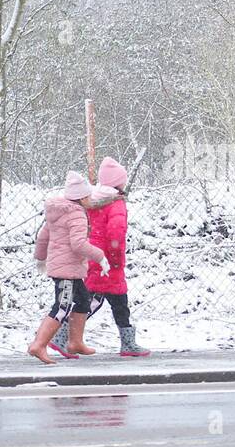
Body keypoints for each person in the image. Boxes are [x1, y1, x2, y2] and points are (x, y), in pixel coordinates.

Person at [50, 156, 150, 357]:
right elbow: (115, 232)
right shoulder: (116, 203)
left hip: (94, 256)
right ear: (118, 183)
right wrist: (114, 258)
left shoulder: (93, 199)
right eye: (123, 179)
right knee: (98, 303)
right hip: (108, 261)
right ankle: (62, 336)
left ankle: (68, 338)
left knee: (103, 301)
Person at [28, 171, 111, 364]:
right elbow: (78, 244)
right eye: (89, 196)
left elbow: (43, 236)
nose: (91, 199)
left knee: (82, 300)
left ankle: (75, 342)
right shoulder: (76, 214)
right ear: (81, 197)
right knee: (62, 307)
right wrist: (100, 257)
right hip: (67, 270)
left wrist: (40, 258)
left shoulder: (58, 212)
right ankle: (38, 344)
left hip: (68, 269)